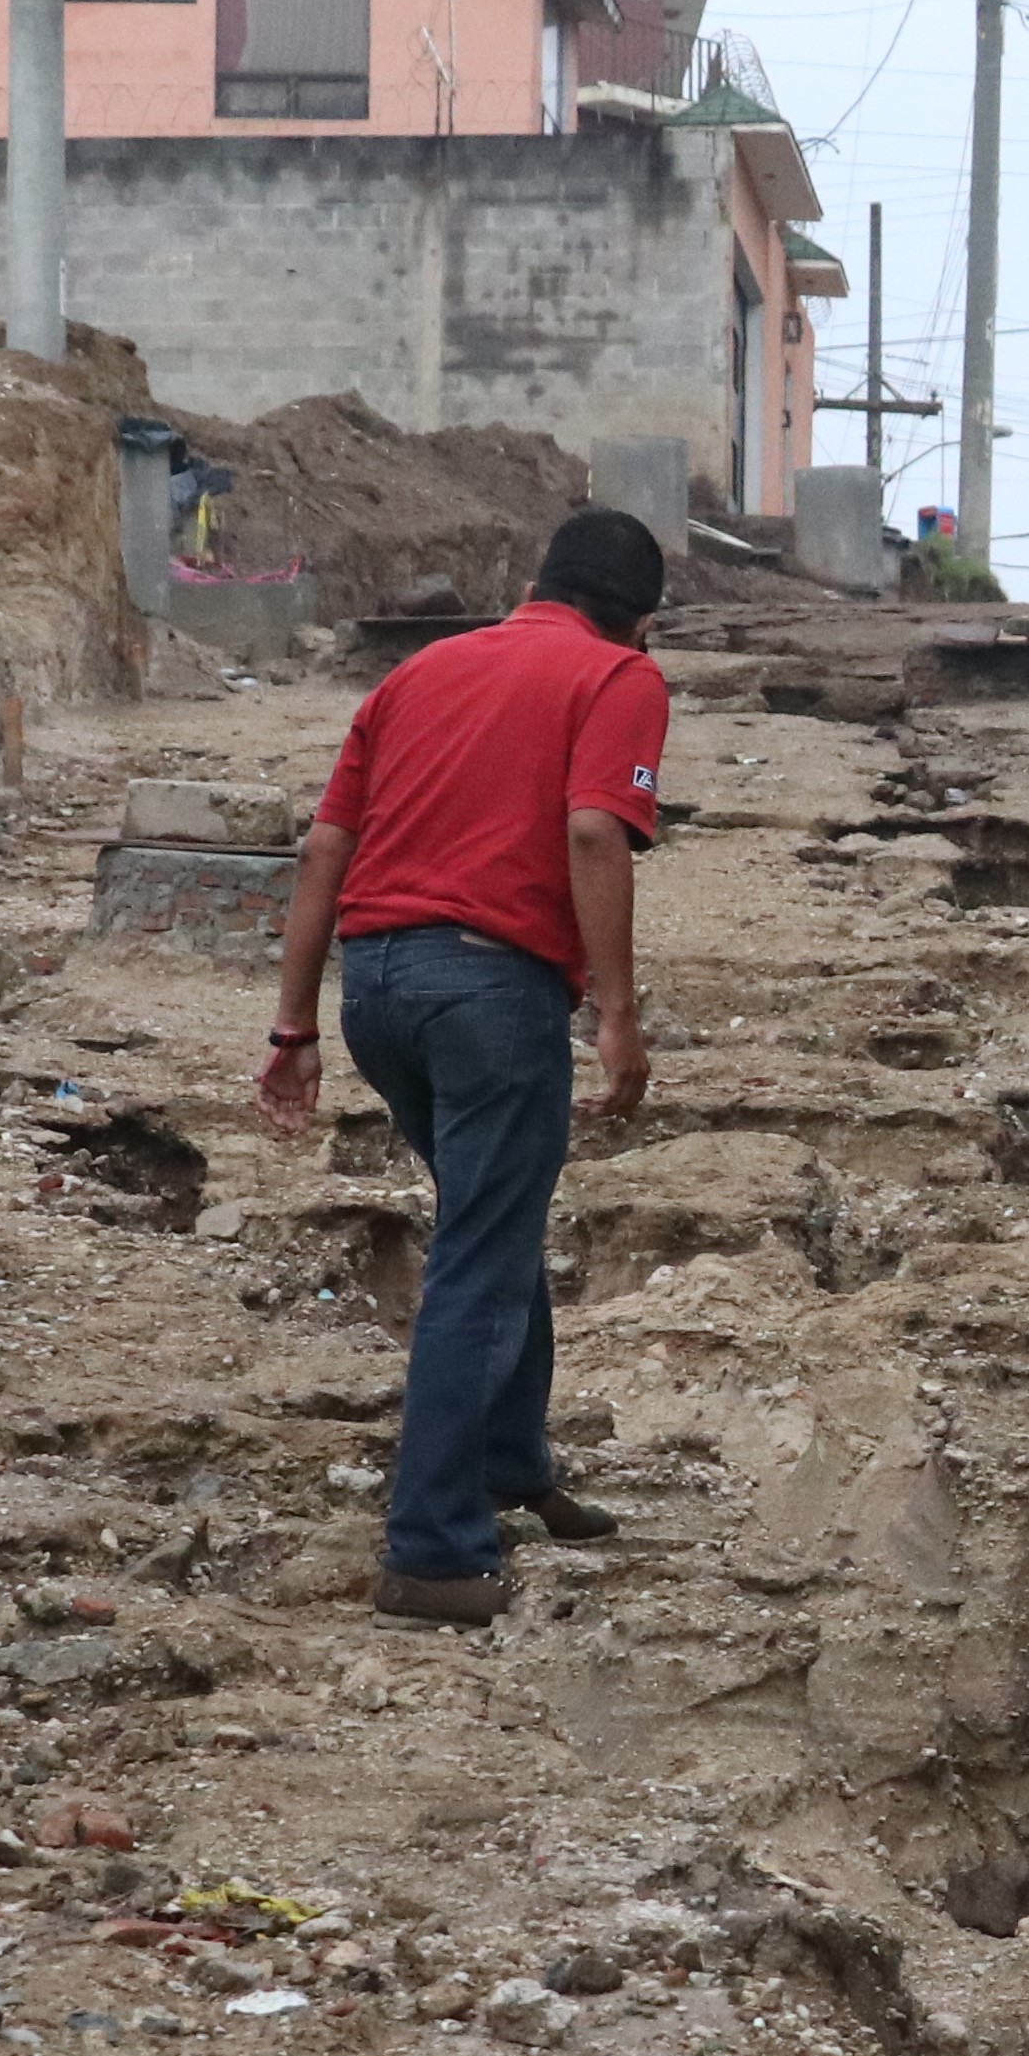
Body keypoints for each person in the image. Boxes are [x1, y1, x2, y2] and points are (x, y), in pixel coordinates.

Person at [254, 507, 672, 1622]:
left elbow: (326, 850)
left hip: (375, 991)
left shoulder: (423, 672)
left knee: (493, 1220)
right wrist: (618, 1014)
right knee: (478, 1258)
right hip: (490, 993)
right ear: (638, 619)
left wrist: (291, 1029)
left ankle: (510, 1462)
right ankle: (432, 1550)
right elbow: (593, 832)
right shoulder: (616, 675)